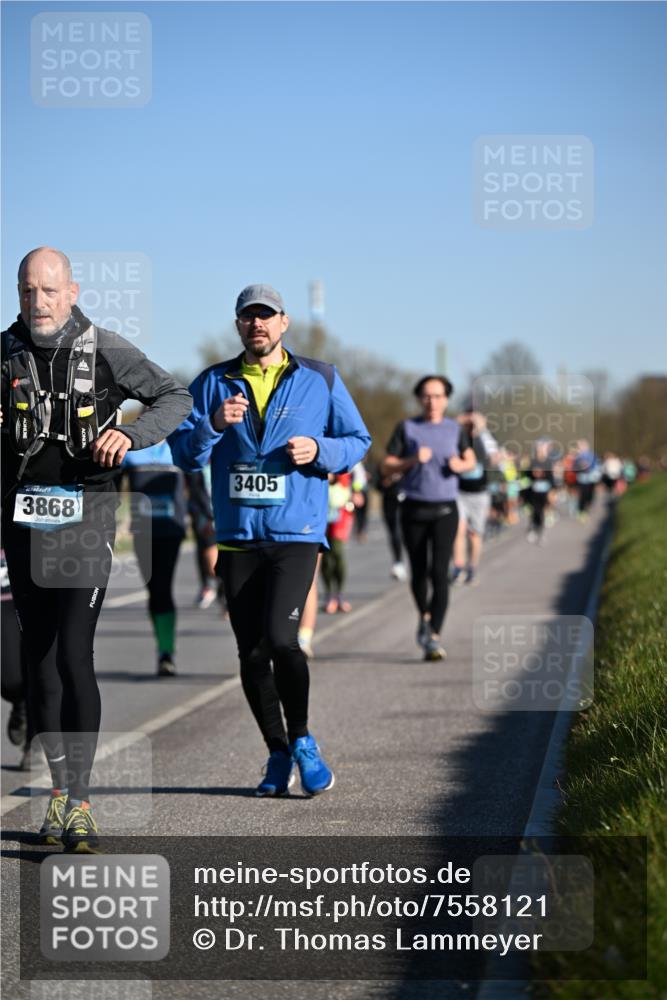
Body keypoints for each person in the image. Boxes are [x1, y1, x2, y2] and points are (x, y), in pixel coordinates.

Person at [1, 247, 191, 850]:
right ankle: (58, 794)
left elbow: (175, 397)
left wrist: (130, 434)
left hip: (88, 513)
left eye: (49, 291)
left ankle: (81, 801)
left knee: (74, 654)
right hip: (23, 517)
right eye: (28, 291)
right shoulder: (3, 351)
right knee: (38, 658)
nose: (38, 303)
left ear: (73, 290)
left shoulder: (107, 349)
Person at [169, 284, 370, 797]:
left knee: (283, 641)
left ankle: (303, 741)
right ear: (238, 325)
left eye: (266, 316)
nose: (256, 324)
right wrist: (212, 425)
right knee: (252, 654)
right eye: (247, 317)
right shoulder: (212, 382)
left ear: (284, 323)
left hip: (296, 533)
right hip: (237, 537)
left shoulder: (321, 378)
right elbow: (186, 454)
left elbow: (357, 441)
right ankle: (277, 754)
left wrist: (320, 449)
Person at [382, 376, 475, 661]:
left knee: (440, 574)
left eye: (437, 396)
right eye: (426, 396)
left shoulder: (455, 429)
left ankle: (433, 635)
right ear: (419, 399)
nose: (432, 401)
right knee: (419, 573)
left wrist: (462, 464)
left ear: (446, 399)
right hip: (413, 508)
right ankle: (424, 616)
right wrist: (411, 460)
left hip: (446, 509)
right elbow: (386, 465)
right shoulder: (407, 428)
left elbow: (470, 458)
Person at [122, 439, 187, 676]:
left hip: (172, 529)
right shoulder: (131, 449)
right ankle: (163, 646)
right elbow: (111, 484)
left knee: (163, 587)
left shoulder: (180, 445)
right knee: (154, 590)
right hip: (143, 531)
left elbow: (198, 482)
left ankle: (166, 652)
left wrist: (205, 518)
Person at [451, 409, 499, 586]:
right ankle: (458, 568)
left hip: (480, 494)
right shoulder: (459, 437)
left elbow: (494, 459)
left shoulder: (486, 439)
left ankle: (472, 567)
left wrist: (482, 429)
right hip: (460, 493)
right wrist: (459, 422)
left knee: (475, 534)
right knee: (458, 530)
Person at [321, 472, 359, 614]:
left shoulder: (343, 451)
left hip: (340, 511)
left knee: (337, 552)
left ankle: (339, 595)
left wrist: (357, 491)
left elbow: (357, 476)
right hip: (321, 512)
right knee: (324, 556)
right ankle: (329, 595)